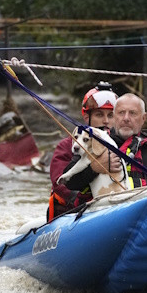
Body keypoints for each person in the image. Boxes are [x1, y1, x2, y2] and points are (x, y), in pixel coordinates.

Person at [61, 92, 147, 194]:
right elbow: (70, 183)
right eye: (121, 113)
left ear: (143, 118)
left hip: (144, 215)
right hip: (100, 214)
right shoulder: (95, 143)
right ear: (114, 116)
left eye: (132, 113)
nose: (126, 118)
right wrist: (95, 167)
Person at [47, 82, 119, 221]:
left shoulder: (120, 145)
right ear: (86, 117)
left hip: (113, 207)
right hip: (75, 213)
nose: (105, 121)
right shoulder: (68, 146)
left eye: (111, 115)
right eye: (99, 114)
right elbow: (59, 182)